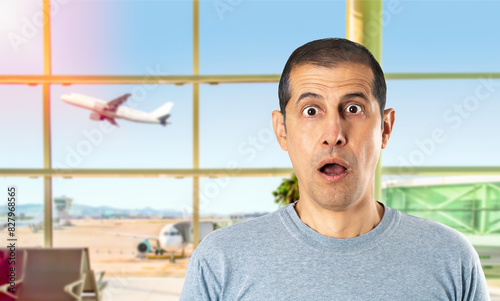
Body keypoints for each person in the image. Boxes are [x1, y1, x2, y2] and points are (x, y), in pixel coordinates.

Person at [180, 38, 489, 300]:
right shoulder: (220, 261)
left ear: (385, 128)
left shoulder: (451, 257)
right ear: (282, 130)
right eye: (311, 110)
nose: (333, 133)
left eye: (353, 108)